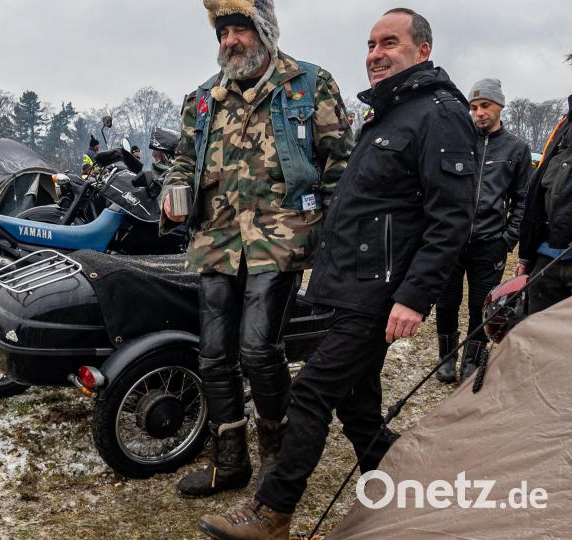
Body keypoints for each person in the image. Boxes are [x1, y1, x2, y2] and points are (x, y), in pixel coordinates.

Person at [196, 9, 477, 539]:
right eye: (371, 45)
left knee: (311, 392)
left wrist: (414, 297)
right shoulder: (388, 114)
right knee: (359, 406)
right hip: (349, 285)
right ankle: (407, 493)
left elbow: (451, 219)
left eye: (389, 43)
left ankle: (272, 513)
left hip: (381, 292)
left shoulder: (439, 114)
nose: (375, 54)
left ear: (422, 50)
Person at [159, 0, 353, 503]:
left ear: (263, 32)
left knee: (259, 349)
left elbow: (340, 164)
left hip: (281, 236)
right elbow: (183, 159)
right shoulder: (204, 97)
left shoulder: (308, 85)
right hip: (217, 239)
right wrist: (174, 188)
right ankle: (230, 462)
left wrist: (332, 236)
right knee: (213, 354)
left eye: (239, 29)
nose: (230, 41)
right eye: (223, 32)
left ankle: (278, 458)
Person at [434, 78, 531, 384]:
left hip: (490, 243)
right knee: (446, 302)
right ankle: (446, 358)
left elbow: (523, 199)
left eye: (485, 106)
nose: (479, 113)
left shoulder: (516, 148)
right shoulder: (458, 143)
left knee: (482, 305)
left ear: (499, 105)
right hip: (452, 240)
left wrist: (508, 238)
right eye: (473, 107)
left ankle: (472, 360)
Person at [518, 53, 572, 314]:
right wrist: (526, 254)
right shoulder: (565, 124)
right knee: (535, 333)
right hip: (548, 257)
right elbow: (539, 190)